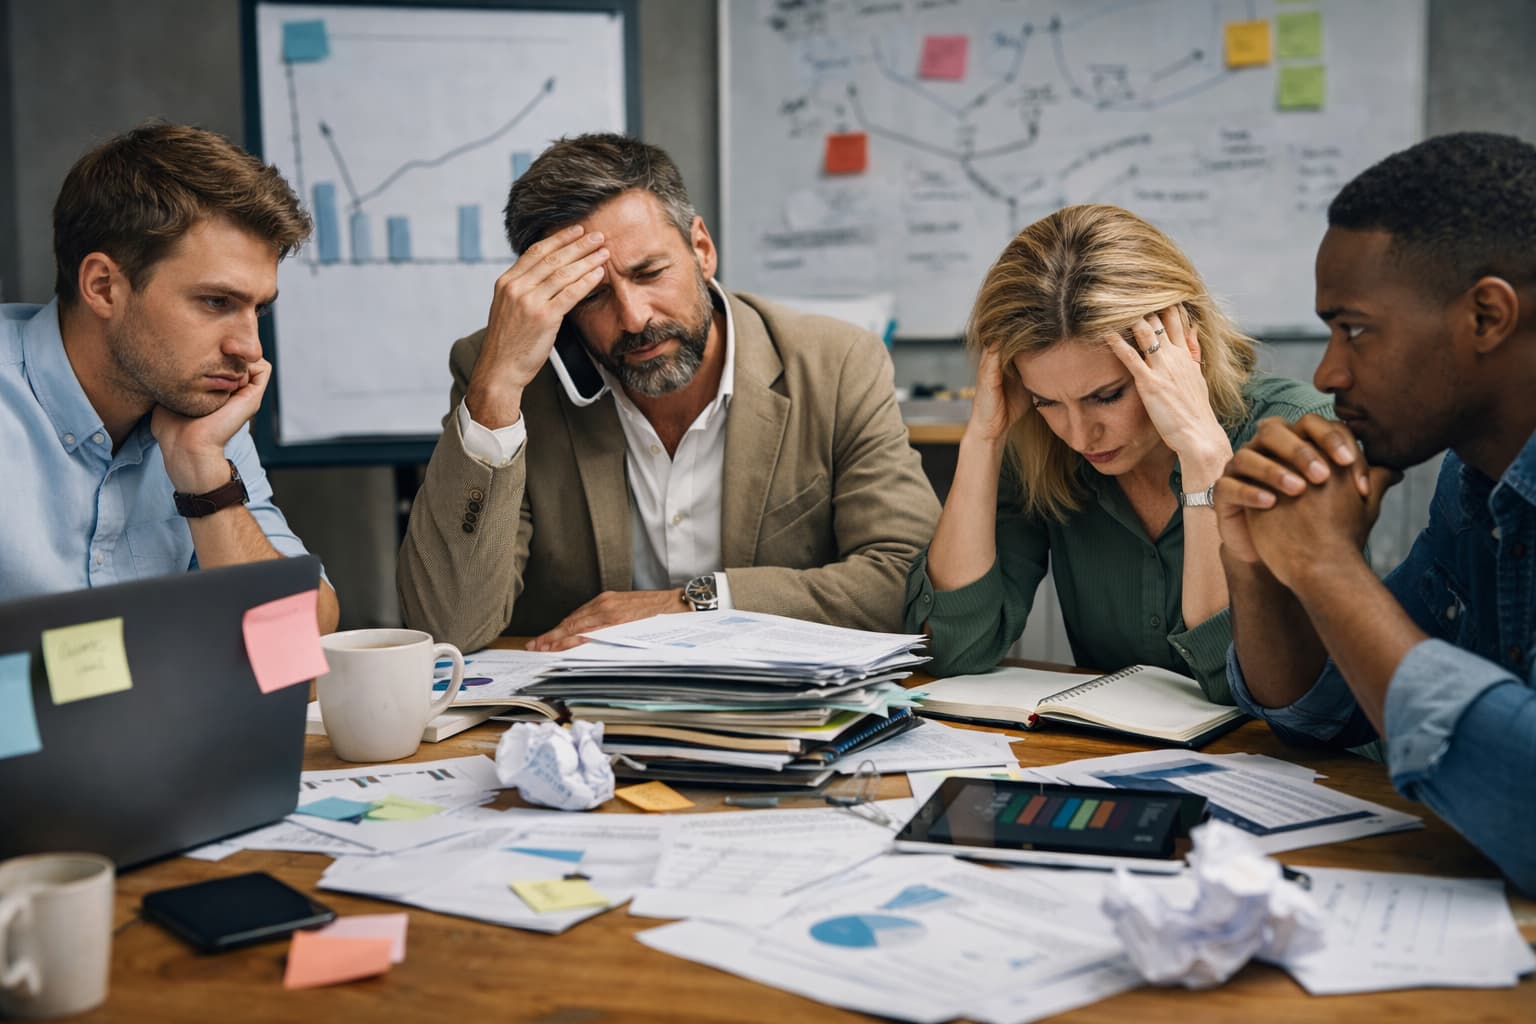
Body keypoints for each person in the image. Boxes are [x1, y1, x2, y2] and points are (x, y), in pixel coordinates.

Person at [397, 133, 938, 652]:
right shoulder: (507, 380)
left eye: (650, 273)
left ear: (701, 248)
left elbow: (909, 583)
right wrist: (495, 391)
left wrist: (696, 604)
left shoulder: (836, 365)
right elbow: (450, 625)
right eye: (592, 296)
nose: (634, 318)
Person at [1216, 132, 1536, 892]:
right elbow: (1322, 714)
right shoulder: (1473, 483)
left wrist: (1326, 566)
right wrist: (1258, 564)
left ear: (1486, 316)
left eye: (1354, 329)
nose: (1329, 373)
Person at [905, 204, 1331, 700]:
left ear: (1180, 348)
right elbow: (954, 648)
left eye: (1106, 396)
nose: (1080, 436)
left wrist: (1204, 457)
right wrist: (984, 439)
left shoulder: (1296, 433)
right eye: (1046, 401)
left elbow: (1256, 689)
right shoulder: (1043, 448)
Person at [0, 121, 339, 631]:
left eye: (258, 309)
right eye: (216, 302)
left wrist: (204, 475)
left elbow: (300, 639)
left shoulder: (200, 415)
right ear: (103, 286)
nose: (249, 349)